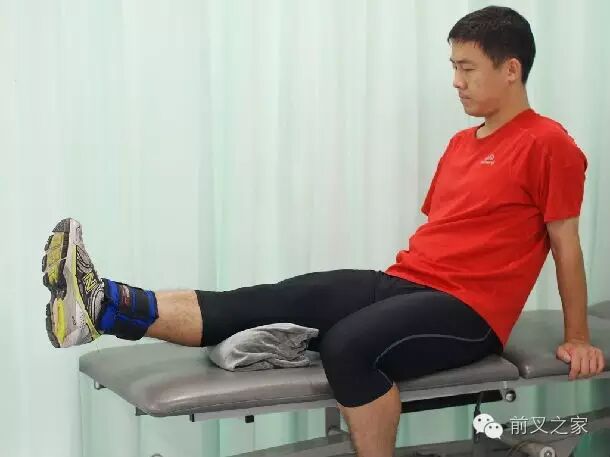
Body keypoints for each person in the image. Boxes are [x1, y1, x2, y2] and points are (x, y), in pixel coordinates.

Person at [41, 5, 605, 457]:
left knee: (347, 345)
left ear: (511, 69)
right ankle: (103, 307)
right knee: (273, 299)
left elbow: (565, 246)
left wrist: (577, 336)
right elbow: (447, 231)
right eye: (453, 67)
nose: (455, 81)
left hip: (471, 312)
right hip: (406, 281)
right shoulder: (463, 143)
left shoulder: (548, 143)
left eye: (467, 68)